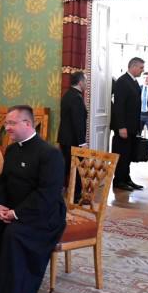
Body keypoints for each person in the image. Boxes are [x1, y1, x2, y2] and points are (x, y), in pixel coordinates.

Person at [0, 105, 66, 293]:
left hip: (43, 215)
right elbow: (3, 182)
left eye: (11, 123)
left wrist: (16, 213)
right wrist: (1, 206)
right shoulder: (12, 149)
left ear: (28, 124)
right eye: (6, 123)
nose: (7, 127)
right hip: (11, 209)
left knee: (14, 234)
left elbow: (46, 194)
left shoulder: (50, 154)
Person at [111, 57, 145, 191]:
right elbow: (119, 106)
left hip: (131, 126)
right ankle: (119, 180)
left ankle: (126, 178)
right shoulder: (122, 81)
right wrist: (121, 126)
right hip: (124, 127)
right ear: (133, 67)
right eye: (141, 68)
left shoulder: (134, 81)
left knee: (128, 154)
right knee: (122, 154)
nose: (143, 70)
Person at [57, 71, 88, 202]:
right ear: (80, 82)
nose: (86, 84)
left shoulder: (67, 94)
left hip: (65, 138)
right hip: (73, 140)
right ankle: (76, 197)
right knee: (77, 167)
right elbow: (78, 122)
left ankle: (62, 193)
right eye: (85, 81)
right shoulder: (76, 97)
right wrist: (82, 142)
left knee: (67, 167)